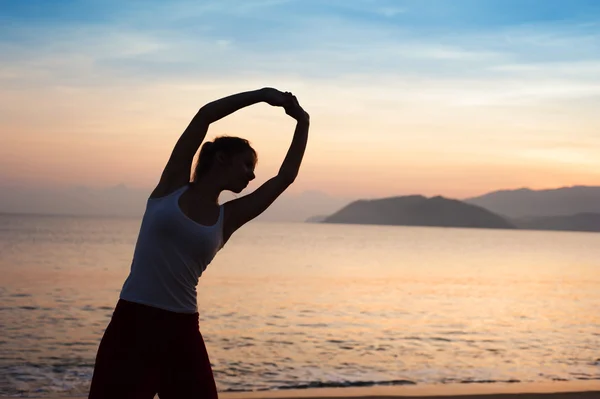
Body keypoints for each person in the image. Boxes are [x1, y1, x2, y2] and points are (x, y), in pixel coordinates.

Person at [88, 88, 310, 399]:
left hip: (182, 330)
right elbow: (204, 116)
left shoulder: (228, 218)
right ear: (221, 158)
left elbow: (284, 177)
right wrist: (262, 96)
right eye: (247, 165)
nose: (253, 174)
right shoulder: (171, 187)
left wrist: (303, 121)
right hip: (133, 323)